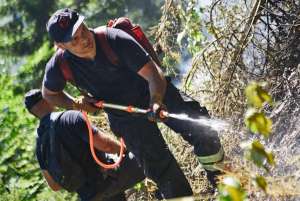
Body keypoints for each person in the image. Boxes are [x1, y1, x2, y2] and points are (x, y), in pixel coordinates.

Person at [42, 8, 224, 199]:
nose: (84, 40)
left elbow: (154, 74)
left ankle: (223, 182)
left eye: (83, 30)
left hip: (156, 93)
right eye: (75, 40)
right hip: (125, 118)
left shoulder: (114, 40)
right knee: (161, 169)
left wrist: (156, 102)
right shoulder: (60, 66)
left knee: (201, 128)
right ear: (61, 45)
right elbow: (50, 94)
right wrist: (75, 104)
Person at [24, 89, 146, 201]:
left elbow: (54, 186)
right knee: (148, 155)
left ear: (33, 113)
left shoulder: (39, 145)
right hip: (107, 179)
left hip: (88, 196)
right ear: (47, 99)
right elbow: (106, 146)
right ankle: (164, 185)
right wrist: (125, 150)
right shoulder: (69, 117)